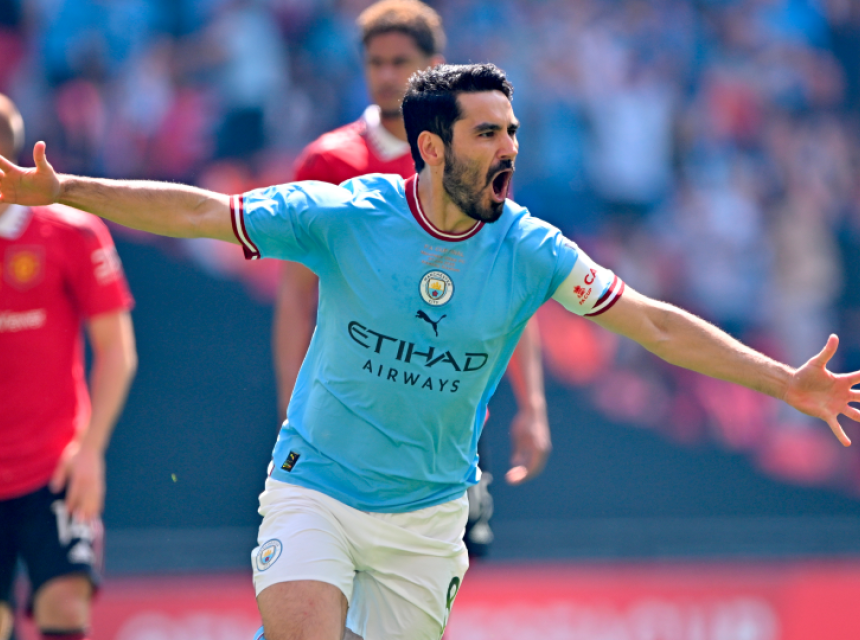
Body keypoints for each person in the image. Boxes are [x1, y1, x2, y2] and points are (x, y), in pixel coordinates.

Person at [1, 64, 858, 640]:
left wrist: (783, 381)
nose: (508, 148)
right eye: (487, 134)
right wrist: (63, 189)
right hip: (316, 485)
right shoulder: (348, 216)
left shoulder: (532, 248)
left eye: (512, 131)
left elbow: (654, 325)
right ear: (433, 147)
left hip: (428, 516)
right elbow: (202, 213)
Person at [273, 0, 549, 558]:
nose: (385, 75)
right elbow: (296, 298)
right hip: (349, 418)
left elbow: (507, 292)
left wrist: (533, 406)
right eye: (375, 62)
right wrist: (289, 414)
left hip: (445, 421)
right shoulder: (329, 163)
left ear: (434, 68)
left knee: (434, 583)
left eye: (400, 62)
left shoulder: (474, 158)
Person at [0, 94, 137, 640]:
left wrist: (91, 451)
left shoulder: (71, 232)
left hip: (53, 468)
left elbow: (117, 350)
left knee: (65, 602)